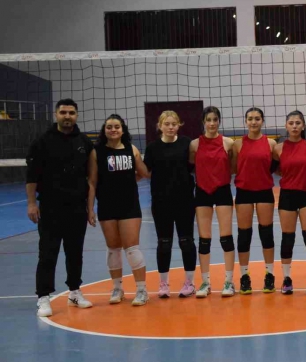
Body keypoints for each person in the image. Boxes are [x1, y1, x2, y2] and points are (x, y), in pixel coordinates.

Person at [27, 99, 95, 317]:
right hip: (50, 208)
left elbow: (91, 177)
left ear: (77, 115)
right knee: (48, 253)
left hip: (76, 208)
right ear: (56, 114)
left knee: (75, 253)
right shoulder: (42, 142)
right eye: (63, 112)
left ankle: (74, 291)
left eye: (71, 112)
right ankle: (43, 297)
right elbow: (31, 176)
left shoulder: (84, 142)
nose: (67, 116)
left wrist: (90, 208)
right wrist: (31, 203)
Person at [87, 114, 150, 306]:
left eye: (116, 127)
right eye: (109, 127)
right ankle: (117, 288)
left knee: (131, 248)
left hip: (129, 204)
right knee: (113, 249)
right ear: (104, 130)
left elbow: (144, 172)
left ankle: (142, 290)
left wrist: (129, 180)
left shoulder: (132, 149)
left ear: (123, 130)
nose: (113, 130)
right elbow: (92, 182)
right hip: (107, 205)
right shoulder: (97, 152)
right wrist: (90, 208)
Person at [143, 110, 196, 298]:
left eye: (174, 124)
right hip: (161, 202)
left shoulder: (187, 144)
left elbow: (193, 167)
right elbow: (145, 172)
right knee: (164, 243)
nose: (171, 127)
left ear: (179, 125)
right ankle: (163, 284)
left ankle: (189, 282)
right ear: (160, 126)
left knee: (186, 241)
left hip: (184, 201)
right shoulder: (152, 148)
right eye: (167, 124)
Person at [189, 106, 236, 298]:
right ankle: (205, 282)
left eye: (215, 119)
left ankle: (229, 281)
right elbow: (192, 166)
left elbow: (233, 167)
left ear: (219, 121)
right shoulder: (194, 145)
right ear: (203, 122)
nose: (212, 123)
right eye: (208, 120)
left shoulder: (228, 143)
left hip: (222, 190)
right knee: (204, 239)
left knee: (226, 237)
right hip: (202, 191)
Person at [273, 110, 306, 294]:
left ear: (303, 126)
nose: (294, 126)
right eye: (291, 123)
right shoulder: (278, 148)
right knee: (288, 237)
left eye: (298, 123)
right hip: (287, 195)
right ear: (286, 126)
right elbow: (276, 169)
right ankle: (286, 279)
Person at [232, 107, 277, 294]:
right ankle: (244, 276)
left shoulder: (271, 143)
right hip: (244, 191)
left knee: (266, 233)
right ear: (245, 121)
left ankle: (269, 274)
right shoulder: (237, 144)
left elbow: (275, 166)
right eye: (250, 118)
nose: (253, 122)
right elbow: (233, 167)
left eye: (257, 118)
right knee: (244, 234)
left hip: (264, 190)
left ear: (262, 121)